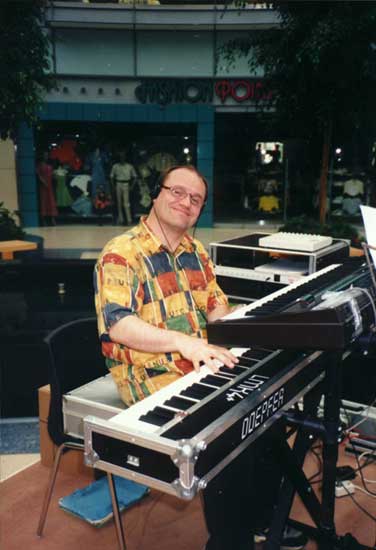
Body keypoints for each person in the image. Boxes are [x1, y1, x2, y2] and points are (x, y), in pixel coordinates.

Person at [94, 165, 307, 550]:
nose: (185, 203)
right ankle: (230, 542)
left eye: (195, 199)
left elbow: (217, 310)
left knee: (268, 416)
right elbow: (119, 325)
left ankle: (263, 519)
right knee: (225, 439)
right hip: (149, 374)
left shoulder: (195, 252)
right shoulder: (121, 253)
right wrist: (185, 343)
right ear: (156, 194)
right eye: (177, 192)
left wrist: (261, 323)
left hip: (199, 363)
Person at [110, 151, 137, 226]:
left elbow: (135, 177)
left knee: (126, 203)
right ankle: (120, 219)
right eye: (120, 157)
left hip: (126, 184)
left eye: (123, 156)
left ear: (125, 158)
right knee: (119, 203)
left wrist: (132, 186)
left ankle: (129, 220)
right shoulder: (115, 166)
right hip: (118, 183)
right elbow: (111, 177)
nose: (122, 158)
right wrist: (113, 186)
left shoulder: (129, 166)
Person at [36, 152, 58, 226]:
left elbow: (52, 175)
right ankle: (44, 220)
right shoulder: (39, 165)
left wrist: (54, 176)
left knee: (51, 202)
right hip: (43, 186)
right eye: (45, 155)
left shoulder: (50, 165)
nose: (46, 157)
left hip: (50, 186)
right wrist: (43, 182)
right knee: (43, 202)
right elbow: (38, 175)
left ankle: (52, 218)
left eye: (47, 155)